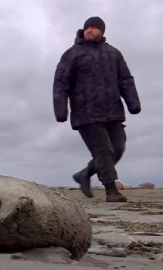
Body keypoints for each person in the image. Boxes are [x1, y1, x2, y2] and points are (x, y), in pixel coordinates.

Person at [53, 16, 141, 202]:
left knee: (118, 148)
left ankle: (84, 174)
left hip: (113, 112)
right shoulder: (73, 54)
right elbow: (61, 83)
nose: (89, 30)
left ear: (102, 31)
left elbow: (125, 79)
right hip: (86, 113)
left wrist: (133, 102)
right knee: (104, 150)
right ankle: (111, 190)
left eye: (93, 28)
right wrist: (61, 109)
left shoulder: (113, 53)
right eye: (87, 28)